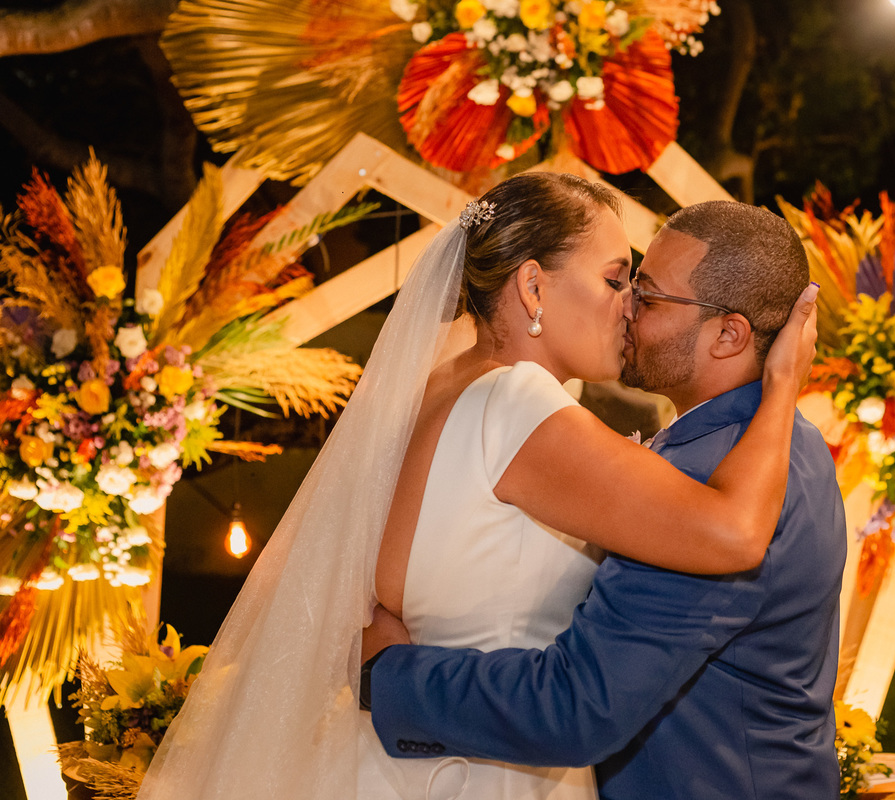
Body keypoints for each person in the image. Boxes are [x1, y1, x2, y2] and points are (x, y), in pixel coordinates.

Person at [136, 175, 819, 800]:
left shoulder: (434, 389)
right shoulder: (518, 405)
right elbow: (731, 531)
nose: (628, 309)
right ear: (533, 288)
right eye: (617, 280)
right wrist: (782, 386)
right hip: (495, 771)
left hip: (398, 762)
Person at [361, 200, 847, 800]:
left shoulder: (713, 476)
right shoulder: (789, 445)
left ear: (728, 335)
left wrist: (385, 676)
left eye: (647, 295)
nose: (628, 309)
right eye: (622, 283)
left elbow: (580, 709)